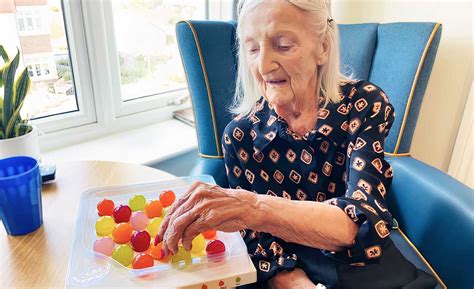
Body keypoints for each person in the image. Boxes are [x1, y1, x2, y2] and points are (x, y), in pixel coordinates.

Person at [158, 0, 438, 288]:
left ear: (323, 48)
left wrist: (250, 207)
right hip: (284, 266)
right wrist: (290, 280)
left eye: (282, 44)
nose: (263, 65)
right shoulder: (240, 135)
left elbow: (357, 221)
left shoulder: (363, 104)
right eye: (252, 48)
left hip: (359, 262)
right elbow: (255, 237)